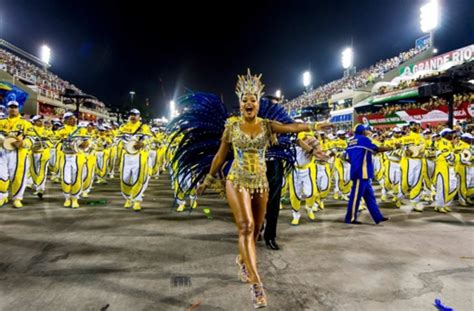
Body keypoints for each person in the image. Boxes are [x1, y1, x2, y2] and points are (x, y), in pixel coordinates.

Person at [196, 69, 331, 309]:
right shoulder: (232, 126)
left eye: (253, 99)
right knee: (246, 226)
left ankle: (242, 259)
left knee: (257, 229)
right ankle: (256, 284)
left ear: (258, 103)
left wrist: (316, 124)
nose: (249, 103)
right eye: (244, 100)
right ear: (239, 104)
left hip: (260, 181)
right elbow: (220, 155)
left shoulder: (268, 126)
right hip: (236, 179)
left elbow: (293, 128)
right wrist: (207, 179)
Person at [345, 124, 392, 224]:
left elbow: (346, 157)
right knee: (355, 197)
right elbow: (376, 149)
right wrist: (390, 148)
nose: (368, 131)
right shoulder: (364, 139)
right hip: (362, 173)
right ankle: (350, 218)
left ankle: (377, 217)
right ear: (363, 131)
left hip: (358, 172)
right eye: (366, 130)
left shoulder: (350, 141)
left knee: (370, 196)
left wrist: (355, 163)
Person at [117, 109, 153, 211]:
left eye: (135, 115)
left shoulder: (144, 127)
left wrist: (143, 143)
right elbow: (116, 140)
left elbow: (150, 139)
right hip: (126, 156)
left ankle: (137, 201)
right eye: (131, 115)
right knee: (125, 179)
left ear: (139, 116)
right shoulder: (123, 127)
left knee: (139, 179)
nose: (133, 117)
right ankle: (128, 198)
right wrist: (123, 145)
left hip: (139, 156)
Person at [0, 100, 32, 208]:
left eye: (15, 107)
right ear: (7, 109)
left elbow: (32, 138)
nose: (13, 109)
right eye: (11, 107)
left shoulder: (25, 123)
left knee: (18, 177)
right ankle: (2, 196)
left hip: (18, 153)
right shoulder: (1, 121)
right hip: (2, 152)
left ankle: (17, 198)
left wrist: (23, 143)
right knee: (1, 175)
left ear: (18, 109)